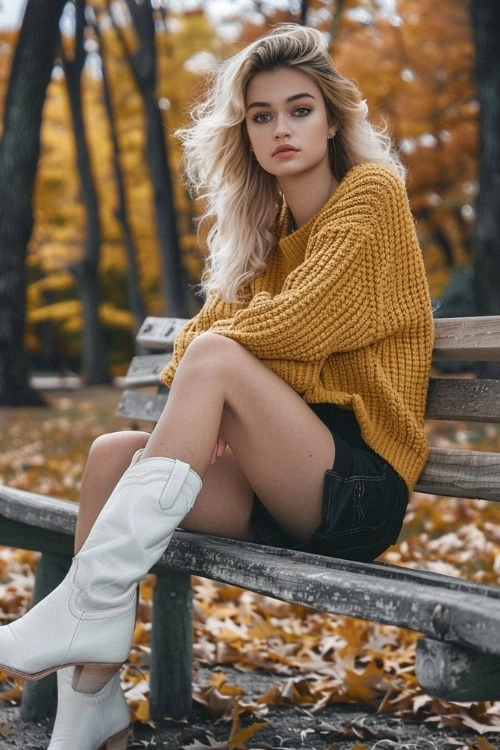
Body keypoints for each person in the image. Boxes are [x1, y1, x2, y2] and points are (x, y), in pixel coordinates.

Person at [0, 22, 434, 750]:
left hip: (358, 487)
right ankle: (90, 706)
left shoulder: (370, 197)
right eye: (261, 116)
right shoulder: (261, 232)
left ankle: (88, 600)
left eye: (299, 109)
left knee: (220, 358)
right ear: (245, 133)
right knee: (112, 453)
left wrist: (230, 370)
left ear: (331, 121)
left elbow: (293, 331)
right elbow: (195, 358)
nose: (280, 129)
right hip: (285, 480)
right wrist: (227, 372)